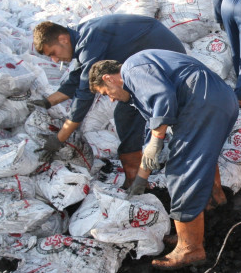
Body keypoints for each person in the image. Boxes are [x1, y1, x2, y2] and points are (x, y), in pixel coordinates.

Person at [88, 50, 239, 270]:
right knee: (201, 156)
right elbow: (153, 131)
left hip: (202, 103)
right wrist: (141, 179)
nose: (110, 98)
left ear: (108, 78)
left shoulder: (132, 69)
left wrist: (157, 140)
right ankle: (214, 200)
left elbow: (163, 98)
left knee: (181, 169)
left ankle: (190, 248)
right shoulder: (141, 80)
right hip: (221, 99)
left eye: (106, 92)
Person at [30, 14, 186, 188]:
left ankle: (136, 179)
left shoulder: (91, 39)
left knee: (126, 113)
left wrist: (59, 139)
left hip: (165, 63)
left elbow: (84, 94)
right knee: (125, 113)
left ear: (63, 39)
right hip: (149, 62)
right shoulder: (84, 38)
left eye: (53, 53)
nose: (55, 60)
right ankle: (136, 177)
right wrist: (46, 103)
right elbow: (79, 77)